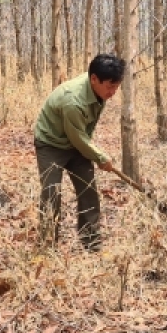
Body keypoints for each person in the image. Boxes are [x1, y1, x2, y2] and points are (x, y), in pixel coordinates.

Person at [33, 54, 125, 251]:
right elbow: (77, 137)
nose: (113, 92)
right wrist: (100, 156)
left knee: (88, 191)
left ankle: (90, 242)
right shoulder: (73, 100)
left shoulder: (99, 91)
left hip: (76, 144)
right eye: (110, 87)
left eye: (116, 87)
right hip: (51, 143)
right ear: (94, 79)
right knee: (51, 193)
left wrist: (91, 152)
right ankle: (47, 245)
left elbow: (84, 133)